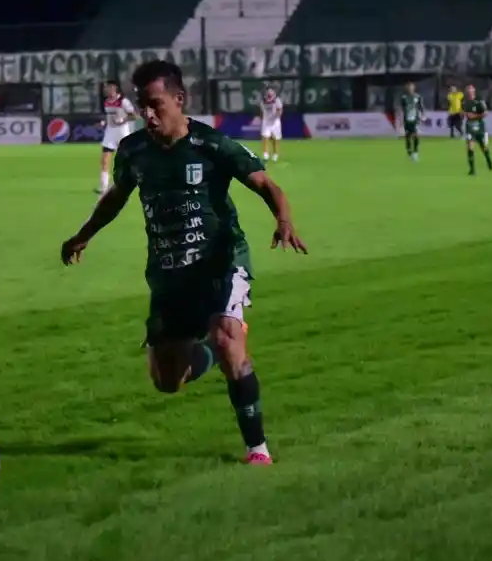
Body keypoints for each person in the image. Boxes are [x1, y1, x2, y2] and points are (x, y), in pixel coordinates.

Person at [60, 59, 307, 465]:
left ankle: (257, 449)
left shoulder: (210, 144)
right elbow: (116, 198)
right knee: (167, 381)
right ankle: (207, 348)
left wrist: (283, 220)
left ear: (179, 99)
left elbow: (266, 183)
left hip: (220, 260)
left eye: (157, 104)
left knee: (230, 339)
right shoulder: (134, 150)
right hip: (169, 273)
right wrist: (82, 235)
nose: (149, 115)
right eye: (143, 107)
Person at [98, 80, 138, 192]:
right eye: (106, 88)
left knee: (126, 160)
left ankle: (134, 180)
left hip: (122, 133)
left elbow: (134, 116)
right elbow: (108, 117)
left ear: (115, 88)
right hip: (110, 133)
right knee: (105, 159)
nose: (106, 90)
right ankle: (103, 186)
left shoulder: (123, 101)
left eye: (109, 87)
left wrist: (123, 120)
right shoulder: (106, 102)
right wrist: (104, 123)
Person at [462, 84, 492, 175]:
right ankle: (472, 170)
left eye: (471, 90)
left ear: (474, 92)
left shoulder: (479, 101)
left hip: (480, 127)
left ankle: (488, 160)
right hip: (470, 128)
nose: (470, 92)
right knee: (470, 147)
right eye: (468, 91)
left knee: (483, 147)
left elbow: (485, 113)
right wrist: (464, 114)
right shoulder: (465, 103)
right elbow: (465, 113)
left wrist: (474, 116)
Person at [397, 81, 424, 161]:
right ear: (407, 88)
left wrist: (423, 115)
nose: (410, 88)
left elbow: (421, 107)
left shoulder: (417, 96)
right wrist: (401, 120)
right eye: (409, 87)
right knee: (408, 136)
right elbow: (401, 109)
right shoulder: (404, 97)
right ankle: (409, 150)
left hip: (415, 119)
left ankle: (415, 152)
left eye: (411, 87)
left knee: (416, 135)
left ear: (414, 88)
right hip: (407, 120)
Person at [257, 85, 284, 164]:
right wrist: (262, 118)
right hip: (266, 121)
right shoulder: (262, 101)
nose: (269, 94)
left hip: (275, 122)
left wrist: (276, 116)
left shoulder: (277, 100)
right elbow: (261, 111)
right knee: (265, 137)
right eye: (268, 93)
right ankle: (265, 155)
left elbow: (280, 110)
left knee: (275, 139)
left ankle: (275, 154)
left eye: (271, 93)